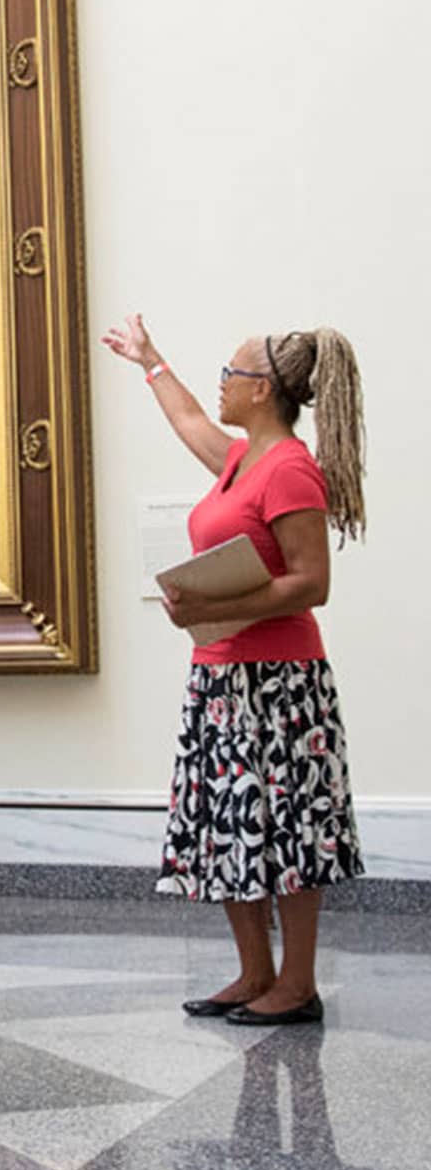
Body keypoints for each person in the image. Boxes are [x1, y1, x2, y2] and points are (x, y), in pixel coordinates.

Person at [103, 317, 367, 1025]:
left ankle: (298, 984)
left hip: (280, 683)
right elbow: (190, 421)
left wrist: (212, 607)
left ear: (263, 390)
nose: (220, 384)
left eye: (230, 373)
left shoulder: (289, 469)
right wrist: (150, 361)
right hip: (221, 679)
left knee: (291, 830)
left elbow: (312, 582)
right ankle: (255, 973)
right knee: (228, 825)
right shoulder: (244, 460)